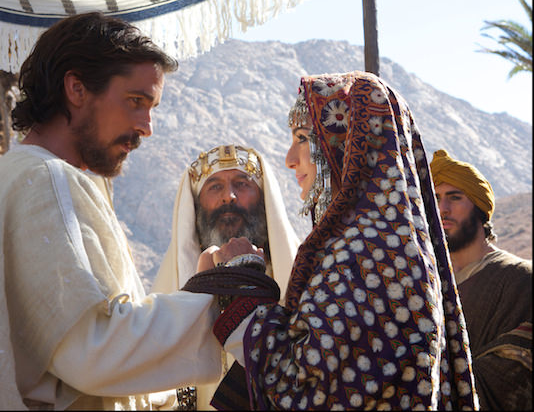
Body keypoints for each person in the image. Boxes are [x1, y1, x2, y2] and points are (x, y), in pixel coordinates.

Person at [0, 12, 259, 410]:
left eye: (152, 107)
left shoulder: (24, 176)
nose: (147, 126)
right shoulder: (42, 180)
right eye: (135, 102)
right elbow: (93, 351)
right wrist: (217, 297)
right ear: (76, 88)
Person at [199, 71, 479, 409]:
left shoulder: (366, 255)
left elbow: (309, 388)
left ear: (345, 144)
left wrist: (240, 281)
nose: (289, 159)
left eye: (303, 138)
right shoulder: (385, 244)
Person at [151, 144, 301, 409]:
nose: (229, 197)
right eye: (215, 186)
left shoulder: (300, 280)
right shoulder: (167, 287)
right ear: (197, 205)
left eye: (242, 184)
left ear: (263, 198)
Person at [430, 149, 532, 410]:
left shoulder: (520, 279)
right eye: (436, 198)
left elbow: (517, 373)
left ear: (479, 208)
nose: (443, 209)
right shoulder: (426, 286)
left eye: (454, 198)